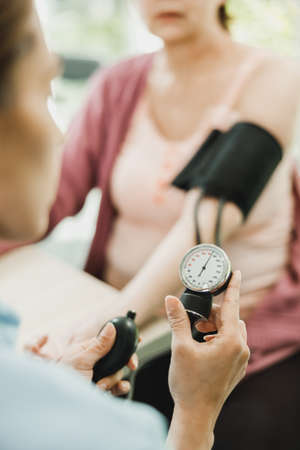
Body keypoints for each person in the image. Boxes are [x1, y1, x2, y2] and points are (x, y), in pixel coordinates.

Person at [2, 1, 300, 448]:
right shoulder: (118, 83)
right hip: (119, 323)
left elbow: (207, 218)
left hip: (235, 341)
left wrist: (114, 318)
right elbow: (46, 198)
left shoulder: (275, 78)